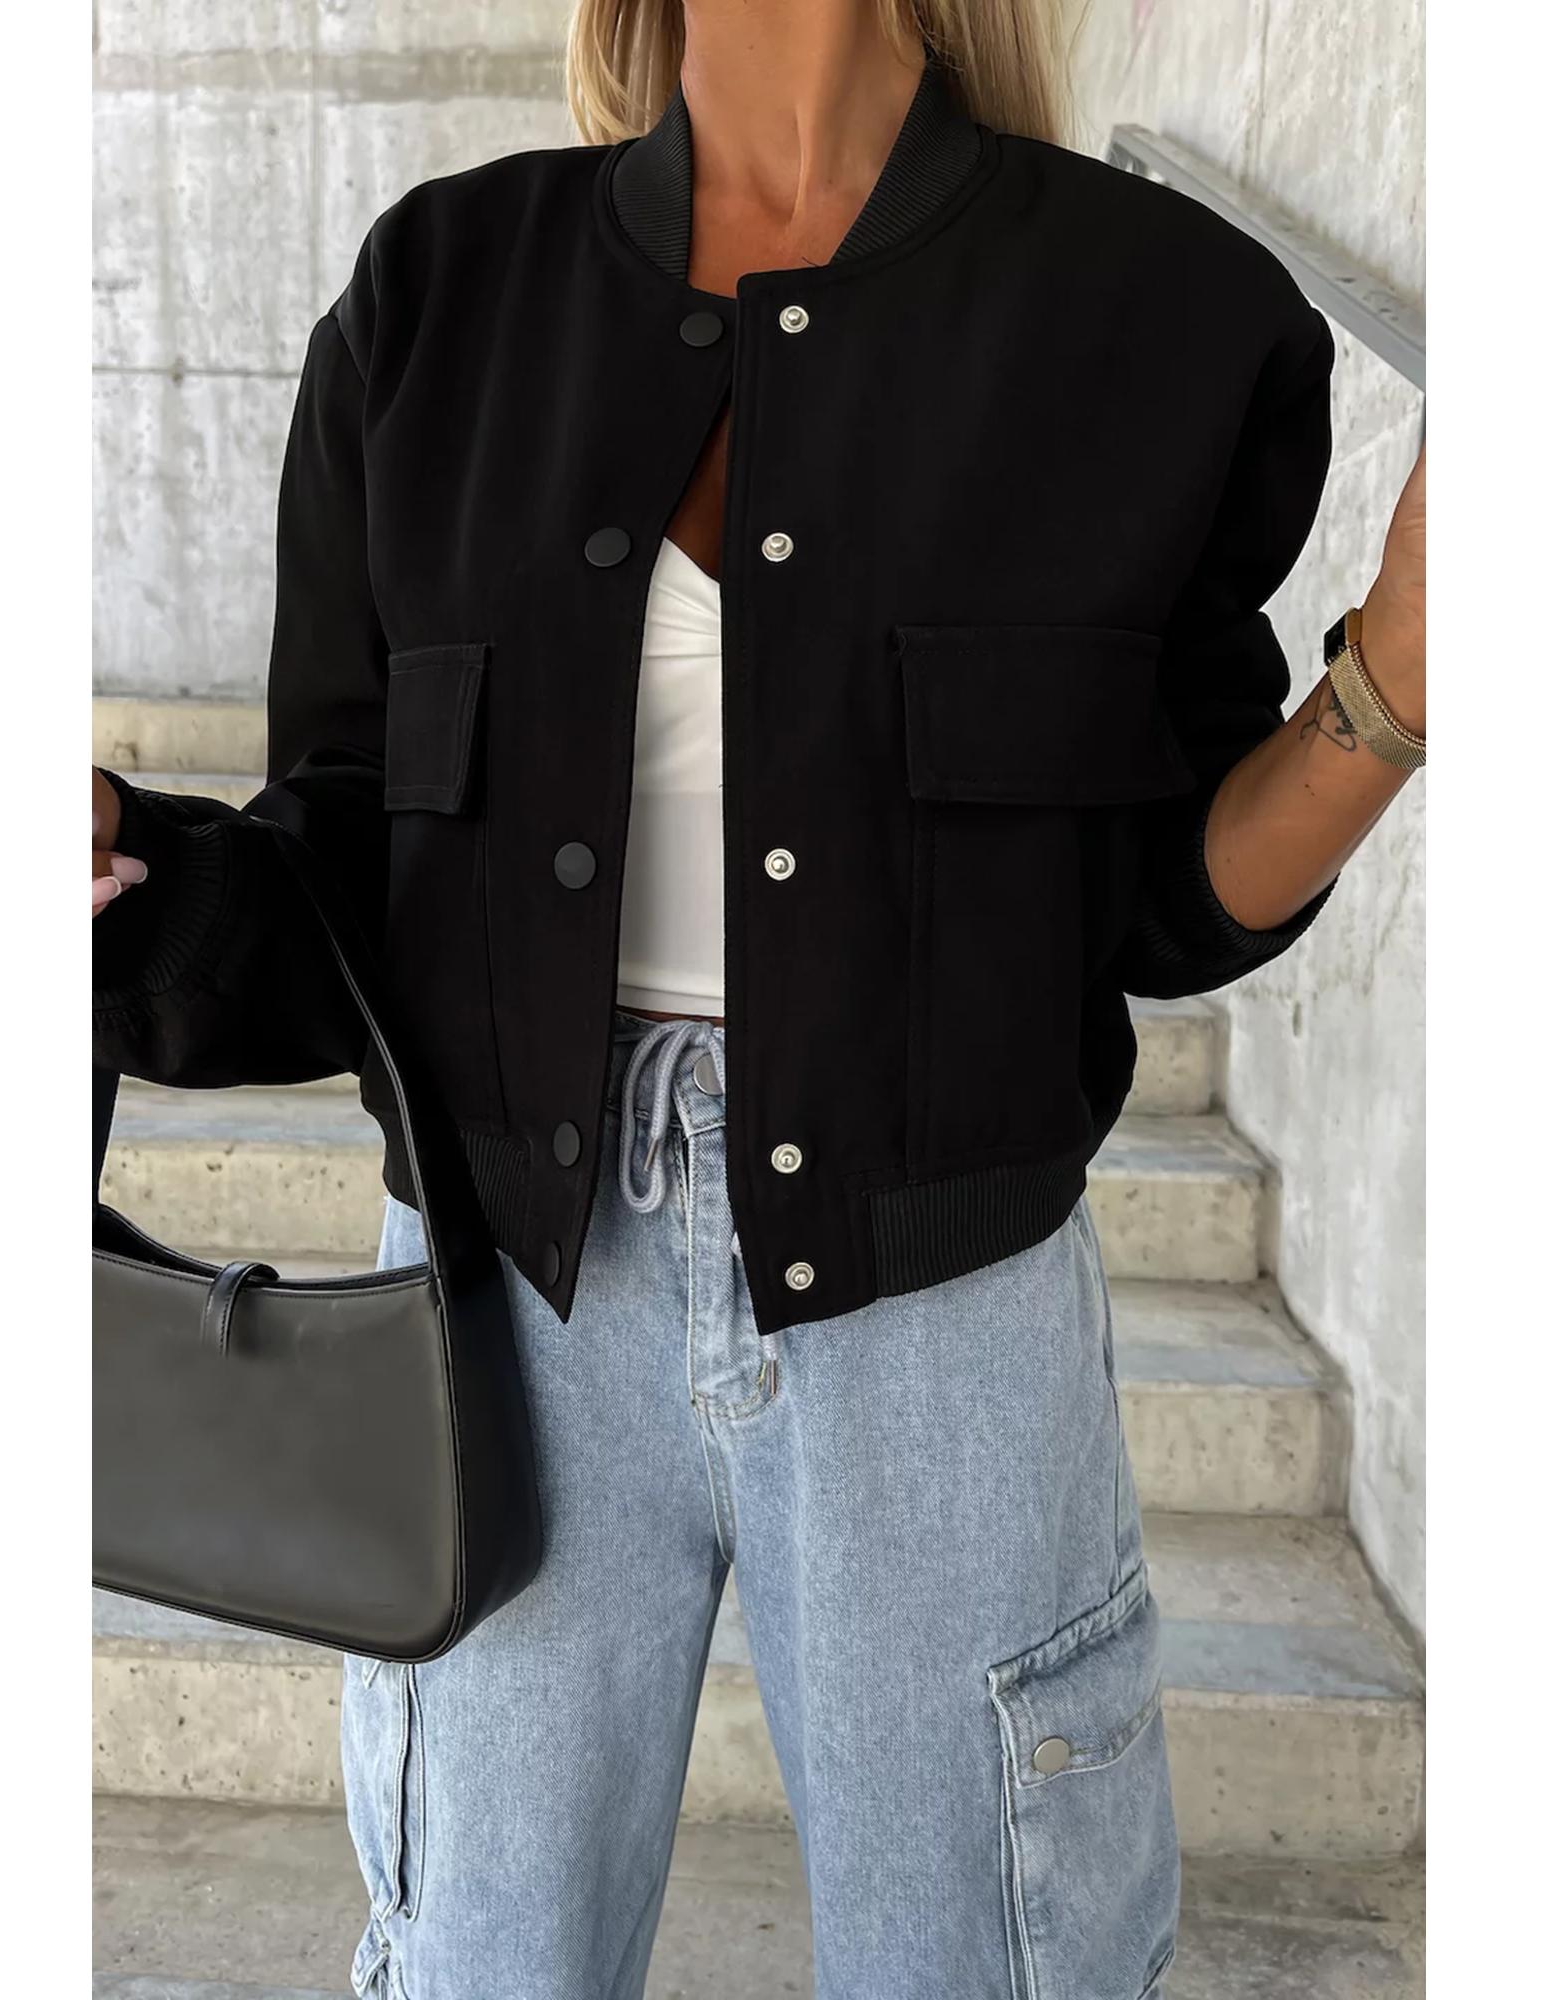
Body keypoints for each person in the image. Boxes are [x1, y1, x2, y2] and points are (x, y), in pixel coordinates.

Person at [92, 2, 1426, 1994]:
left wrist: (1397, 684)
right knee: (483, 1965)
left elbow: (1160, 893)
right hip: (505, 1303)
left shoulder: (1157, 313)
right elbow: (343, 881)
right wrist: (122, 871)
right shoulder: (439, 296)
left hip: (939, 1312)